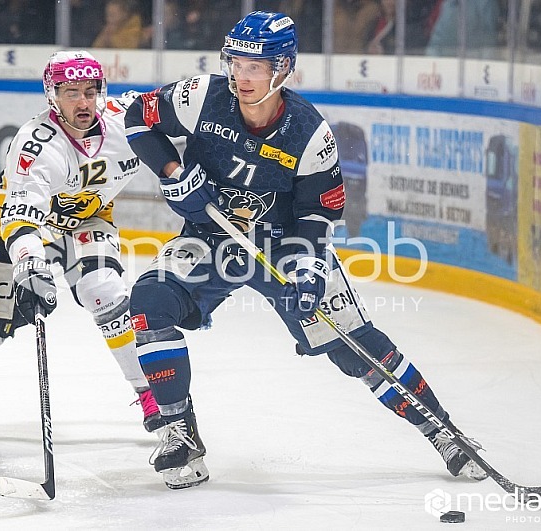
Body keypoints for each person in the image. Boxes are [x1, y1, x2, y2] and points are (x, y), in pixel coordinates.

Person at [124, 11, 489, 489]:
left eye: (256, 66)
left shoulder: (310, 135)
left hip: (284, 245)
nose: (241, 75)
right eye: (235, 62)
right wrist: (173, 173)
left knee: (353, 346)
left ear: (283, 69)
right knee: (150, 305)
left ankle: (444, 432)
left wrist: (309, 269)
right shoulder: (198, 97)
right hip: (209, 236)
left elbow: (317, 217)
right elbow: (136, 117)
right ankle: (179, 433)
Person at [0, 51, 164, 433]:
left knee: (104, 290)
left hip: (86, 219)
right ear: (52, 95)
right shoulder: (36, 144)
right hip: (16, 232)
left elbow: (185, 104)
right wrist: (29, 262)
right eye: (71, 92)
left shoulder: (124, 118)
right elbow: (21, 216)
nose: (83, 102)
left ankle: (150, 395)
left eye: (90, 91)